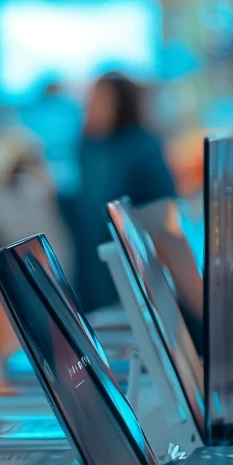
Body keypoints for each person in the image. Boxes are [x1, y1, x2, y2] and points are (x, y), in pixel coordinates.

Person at [63, 72, 176, 310]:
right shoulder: (87, 146)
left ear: (119, 104)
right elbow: (82, 207)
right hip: (90, 266)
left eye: (99, 100)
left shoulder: (142, 146)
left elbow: (164, 206)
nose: (90, 106)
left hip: (133, 264)